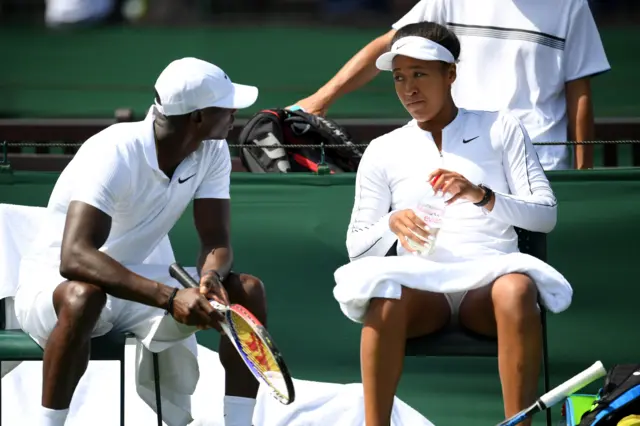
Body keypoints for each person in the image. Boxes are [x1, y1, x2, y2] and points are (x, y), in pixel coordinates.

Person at [331, 23, 573, 426]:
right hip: (424, 292)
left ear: (451, 74)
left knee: (516, 289)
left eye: (420, 74)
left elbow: (545, 215)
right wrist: (391, 223)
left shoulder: (501, 127)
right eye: (399, 78)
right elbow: (356, 247)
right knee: (384, 295)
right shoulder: (382, 149)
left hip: (490, 283)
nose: (409, 89)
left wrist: (482, 195)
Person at [13, 57, 264, 426]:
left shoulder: (213, 150)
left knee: (246, 290)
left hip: (131, 289)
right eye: (226, 107)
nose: (235, 114)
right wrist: (170, 297)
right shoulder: (113, 150)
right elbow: (75, 257)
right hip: (55, 289)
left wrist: (210, 277)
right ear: (197, 117)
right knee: (85, 296)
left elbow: (215, 239)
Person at [293, 0, 611, 171]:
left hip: (541, 166)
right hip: (460, 163)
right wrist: (320, 100)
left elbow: (579, 96)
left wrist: (584, 175)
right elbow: (388, 45)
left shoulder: (572, 6)